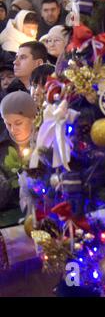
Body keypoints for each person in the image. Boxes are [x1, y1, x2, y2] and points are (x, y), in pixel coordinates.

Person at [0, 91, 37, 228]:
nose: (13, 130)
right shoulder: (4, 148)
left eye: (18, 123)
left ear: (32, 117)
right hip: (14, 220)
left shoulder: (45, 140)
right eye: (8, 124)